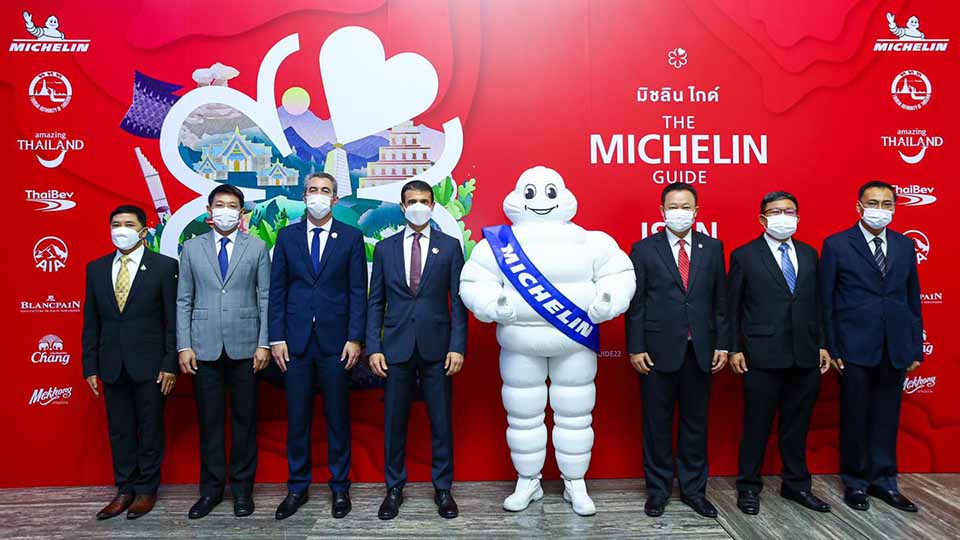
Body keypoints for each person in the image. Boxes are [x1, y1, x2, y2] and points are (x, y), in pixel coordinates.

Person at [459, 166, 636, 516]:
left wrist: (608, 301)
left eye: (549, 192)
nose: (541, 200)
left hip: (575, 343)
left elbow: (619, 274)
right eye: (531, 192)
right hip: (519, 343)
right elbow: (474, 281)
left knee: (576, 414)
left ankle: (575, 482)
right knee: (522, 415)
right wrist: (492, 304)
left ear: (564, 195)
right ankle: (528, 480)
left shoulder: (592, 241)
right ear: (517, 197)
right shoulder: (497, 244)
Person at [625, 183, 730, 518]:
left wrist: (723, 344)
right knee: (656, 425)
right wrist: (636, 347)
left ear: (697, 211)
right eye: (673, 206)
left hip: (700, 351)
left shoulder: (712, 248)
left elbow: (720, 302)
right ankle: (658, 491)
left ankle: (694, 491)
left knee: (695, 425)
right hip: (656, 353)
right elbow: (636, 305)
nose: (680, 212)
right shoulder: (643, 249)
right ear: (662, 211)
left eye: (686, 207)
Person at [366, 180, 468, 520]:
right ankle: (394, 489)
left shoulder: (450, 247)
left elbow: (458, 303)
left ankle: (443, 489)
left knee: (441, 422)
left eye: (424, 200)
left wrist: (457, 347)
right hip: (395, 348)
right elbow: (375, 302)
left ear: (433, 206)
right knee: (395, 422)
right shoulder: (385, 248)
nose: (419, 206)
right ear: (402, 206)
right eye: (412, 201)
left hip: (438, 348)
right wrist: (374, 347)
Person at [820, 180, 923, 513]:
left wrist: (915, 347)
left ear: (894, 208)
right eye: (873, 203)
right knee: (855, 416)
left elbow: (912, 298)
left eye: (886, 204)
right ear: (859, 206)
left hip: (895, 346)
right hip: (853, 346)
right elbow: (826, 302)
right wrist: (832, 347)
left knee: (886, 417)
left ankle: (885, 481)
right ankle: (856, 482)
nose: (880, 209)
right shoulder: (837, 244)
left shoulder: (905, 245)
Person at [268, 172, 367, 520]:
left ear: (335, 199)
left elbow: (358, 291)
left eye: (325, 191)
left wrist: (355, 338)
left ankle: (340, 488)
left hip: (336, 342)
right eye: (313, 190)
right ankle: (297, 487)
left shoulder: (351, 237)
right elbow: (277, 290)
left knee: (338, 418)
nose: (318, 196)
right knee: (297, 419)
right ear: (304, 195)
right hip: (294, 343)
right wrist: (276, 338)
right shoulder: (287, 237)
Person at [727, 191, 831, 515]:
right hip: (761, 354)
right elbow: (732, 308)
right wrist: (734, 348)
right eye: (775, 211)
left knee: (797, 426)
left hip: (805, 354)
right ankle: (748, 486)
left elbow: (818, 304)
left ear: (798, 217)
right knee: (756, 425)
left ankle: (796, 485)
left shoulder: (810, 253)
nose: (783, 217)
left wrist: (823, 344)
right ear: (762, 218)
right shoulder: (744, 255)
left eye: (789, 211)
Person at [176, 184, 271, 518]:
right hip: (203, 348)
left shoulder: (257, 246)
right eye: (220, 205)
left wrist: (263, 343)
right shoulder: (191, 247)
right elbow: (184, 299)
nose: (225, 211)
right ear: (209, 210)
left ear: (241, 212)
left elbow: (265, 297)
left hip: (246, 347)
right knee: (210, 423)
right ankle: (211, 491)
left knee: (245, 423)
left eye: (232, 206)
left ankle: (243, 491)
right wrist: (184, 345)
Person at [81, 205, 178, 520]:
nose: (121, 229)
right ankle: (124, 489)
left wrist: (170, 363)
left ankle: (146, 489)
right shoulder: (96, 268)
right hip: (111, 363)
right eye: (116, 224)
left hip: (151, 365)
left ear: (143, 230)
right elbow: (91, 321)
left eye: (129, 224)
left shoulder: (164, 267)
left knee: (150, 429)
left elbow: (172, 321)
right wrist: (90, 365)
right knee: (119, 430)